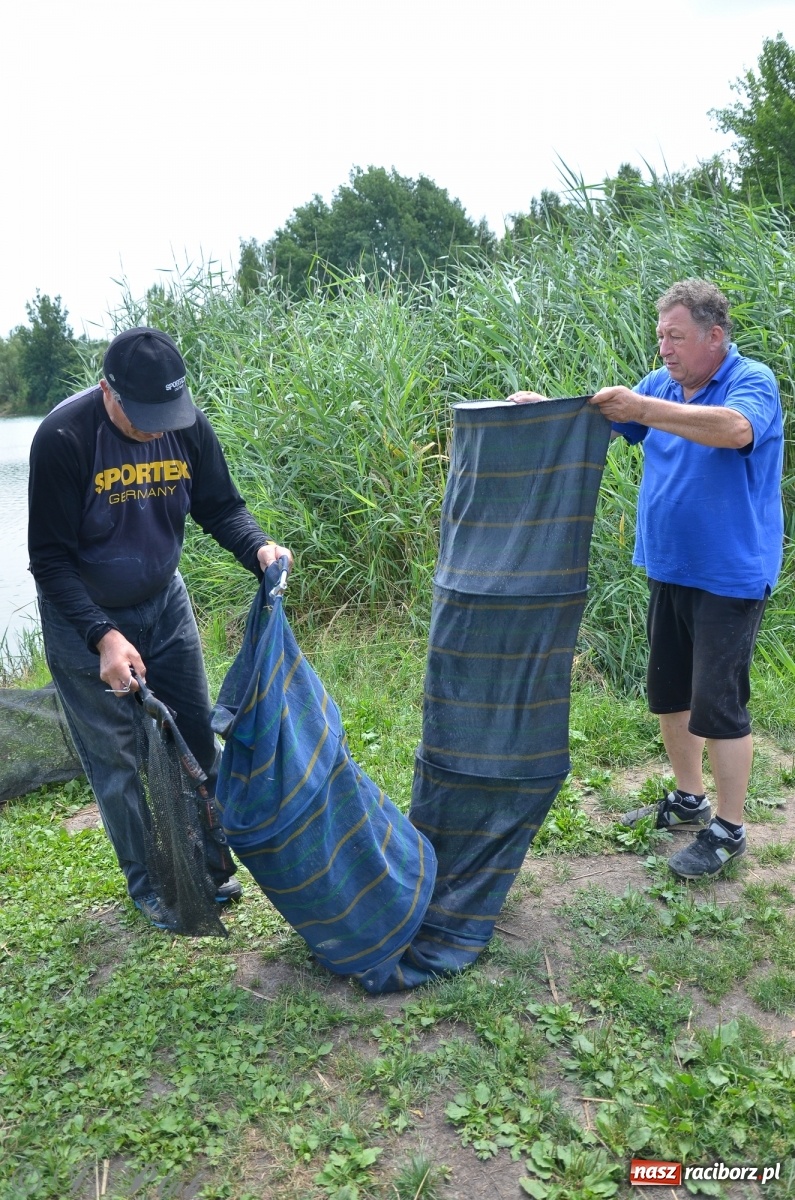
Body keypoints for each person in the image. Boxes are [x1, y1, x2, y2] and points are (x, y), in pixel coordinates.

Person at [510, 279, 784, 879]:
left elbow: (734, 430)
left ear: (715, 337)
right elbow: (609, 421)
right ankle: (690, 799)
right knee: (670, 694)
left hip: (730, 576)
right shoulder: (662, 387)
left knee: (720, 704)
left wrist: (643, 407)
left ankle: (729, 830)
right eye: (660, 336)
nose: (664, 348)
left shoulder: (750, 382)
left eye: (676, 336)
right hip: (670, 566)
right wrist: (548, 408)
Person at [28, 327, 292, 926]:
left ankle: (210, 869)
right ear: (108, 392)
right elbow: (48, 560)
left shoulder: (185, 424)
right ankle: (151, 883)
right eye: (144, 416)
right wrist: (103, 636)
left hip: (163, 602)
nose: (157, 429)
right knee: (117, 759)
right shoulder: (64, 439)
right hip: (83, 619)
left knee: (196, 730)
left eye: (167, 414)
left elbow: (221, 506)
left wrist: (258, 548)